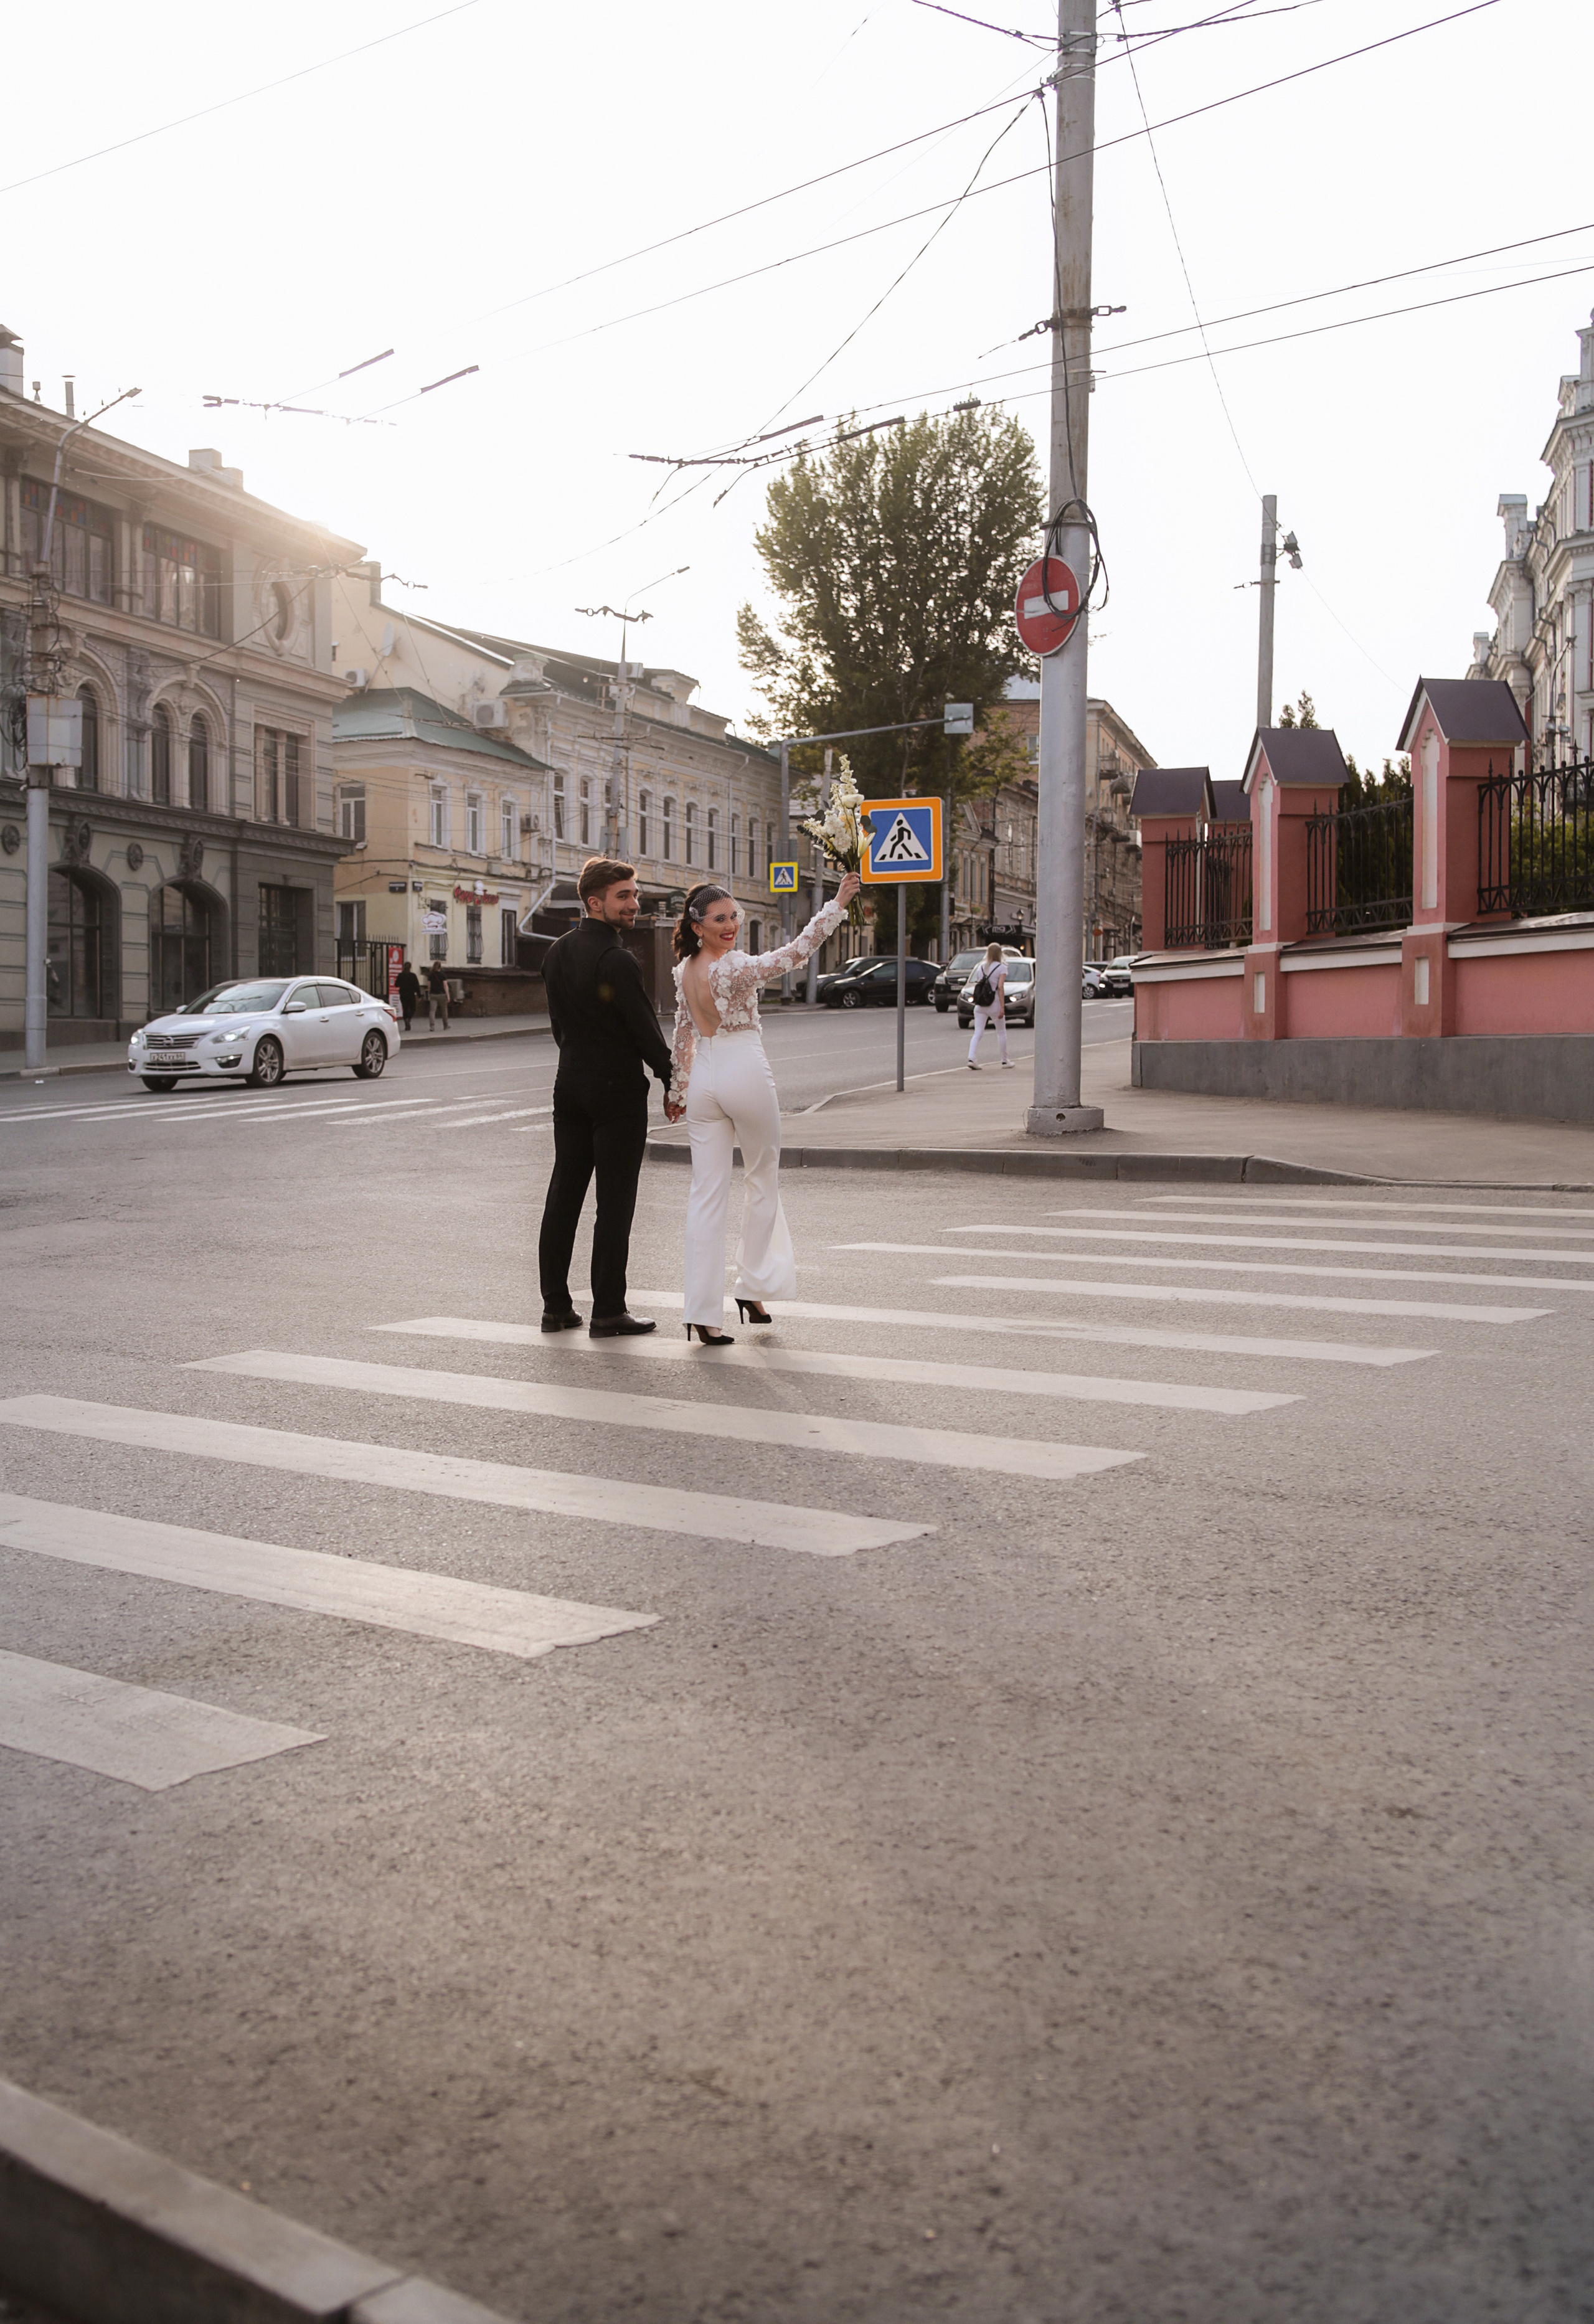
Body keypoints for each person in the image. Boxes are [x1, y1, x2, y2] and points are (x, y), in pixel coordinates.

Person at [670, 872, 861, 1345]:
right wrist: (836, 905)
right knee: (762, 1178)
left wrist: (677, 1090)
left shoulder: (684, 970)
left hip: (703, 1081)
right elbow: (795, 953)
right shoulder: (732, 966)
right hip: (743, 1069)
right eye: (719, 919)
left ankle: (701, 1313)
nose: (731, 925)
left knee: (706, 1194)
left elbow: (684, 1032)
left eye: (734, 916)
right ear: (697, 926)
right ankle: (752, 1285)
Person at [538, 857, 673, 1338]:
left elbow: (558, 1026)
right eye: (624, 896)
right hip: (616, 1092)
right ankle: (609, 1311)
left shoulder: (556, 953)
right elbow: (643, 1030)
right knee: (614, 1205)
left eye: (634, 894)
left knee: (564, 1195)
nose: (635, 903)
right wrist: (672, 1079)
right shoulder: (617, 960)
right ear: (595, 902)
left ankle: (556, 1308)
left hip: (570, 1084)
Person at [967, 942, 1009, 1069]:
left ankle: (971, 1058)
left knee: (978, 1033)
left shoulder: (981, 967)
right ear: (999, 954)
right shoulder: (1002, 968)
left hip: (980, 1005)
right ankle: (1005, 1061)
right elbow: (1000, 987)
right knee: (1001, 1032)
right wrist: (1002, 1007)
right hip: (994, 1003)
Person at [395, 956, 421, 1032]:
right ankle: (409, 1019)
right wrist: (419, 995)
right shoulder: (413, 976)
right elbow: (417, 986)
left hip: (403, 995)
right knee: (413, 1008)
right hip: (411, 995)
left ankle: (406, 1022)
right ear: (410, 967)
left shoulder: (401, 975)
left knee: (405, 1009)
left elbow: (396, 984)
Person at [425, 958, 450, 1032]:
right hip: (442, 995)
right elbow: (445, 986)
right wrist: (448, 996)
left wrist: (429, 993)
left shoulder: (431, 975)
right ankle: (445, 1025)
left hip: (433, 995)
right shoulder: (443, 975)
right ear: (440, 967)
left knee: (432, 1011)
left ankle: (432, 1026)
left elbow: (429, 986)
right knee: (444, 1010)